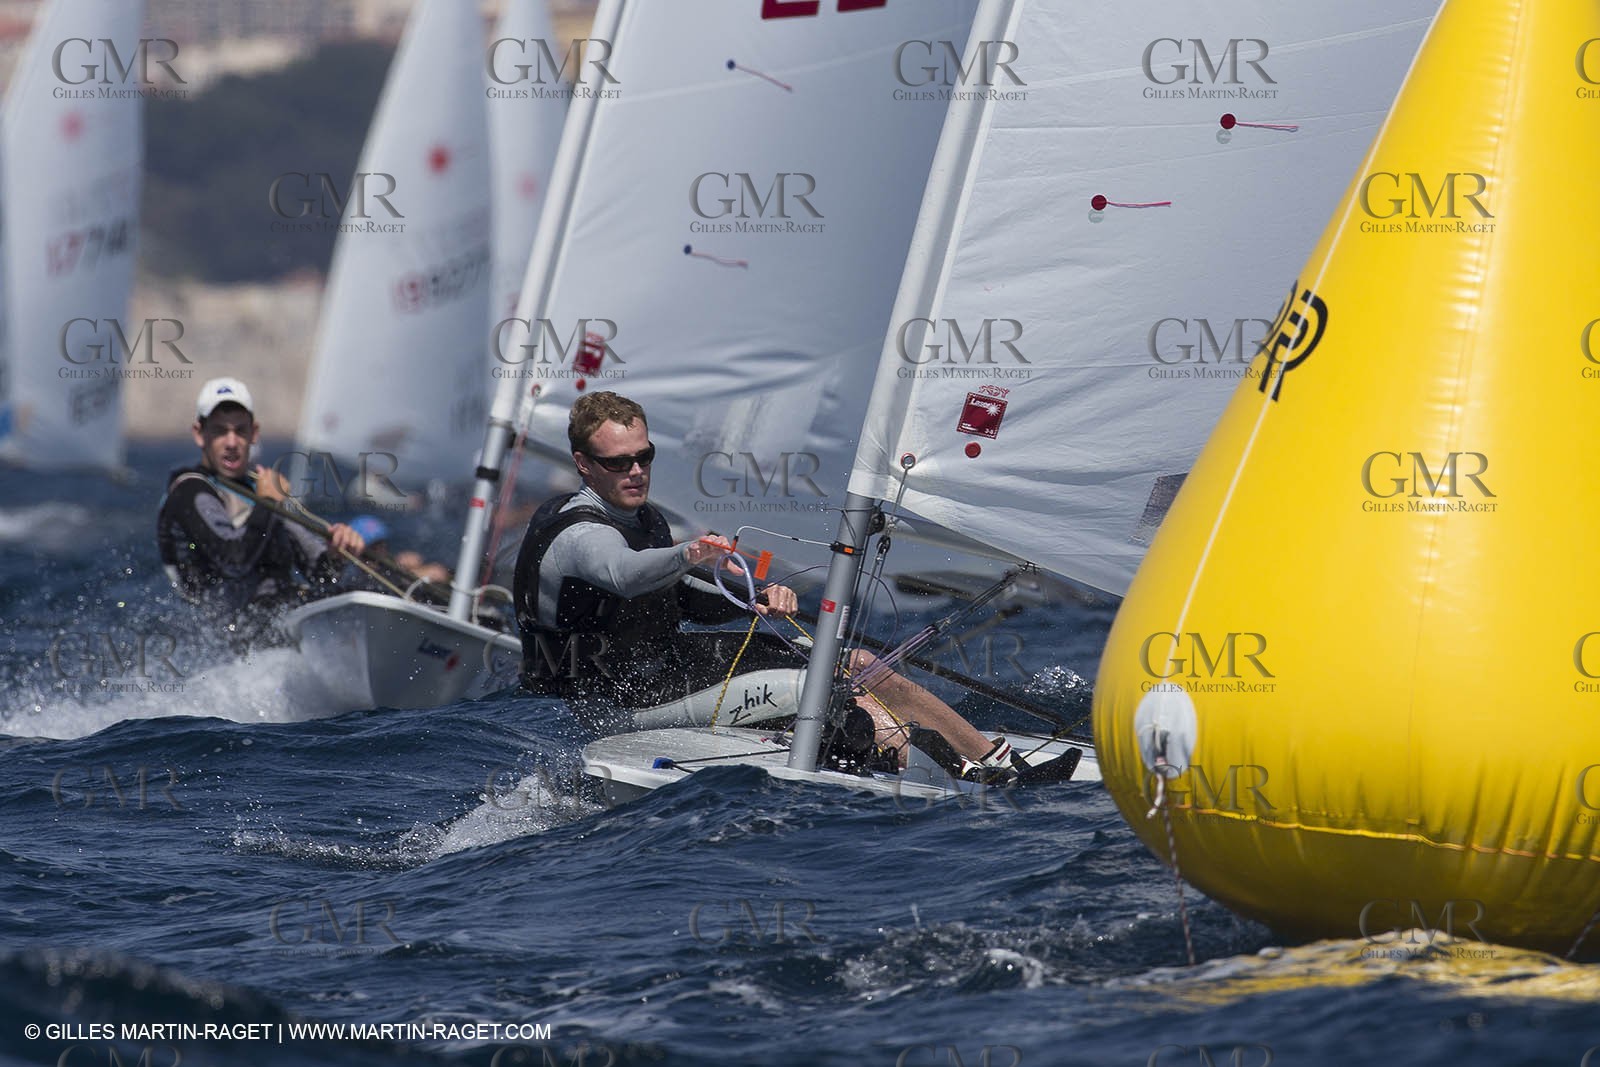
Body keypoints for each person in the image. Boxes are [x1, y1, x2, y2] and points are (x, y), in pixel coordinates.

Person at [512, 391, 1027, 780]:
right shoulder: (578, 534)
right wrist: (688, 553)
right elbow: (625, 576)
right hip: (616, 701)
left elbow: (684, 597)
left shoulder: (644, 518)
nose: (636, 471)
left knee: (856, 663)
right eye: (617, 463)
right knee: (825, 691)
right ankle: (953, 779)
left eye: (644, 457)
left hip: (668, 669)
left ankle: (995, 760)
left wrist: (754, 598)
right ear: (583, 464)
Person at [156, 377, 366, 649]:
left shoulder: (261, 488)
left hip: (280, 617)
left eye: (240, 430)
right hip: (228, 633)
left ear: (254, 433)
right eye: (219, 431)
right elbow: (234, 560)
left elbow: (321, 576)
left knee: (364, 590)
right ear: (199, 434)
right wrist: (267, 504)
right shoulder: (190, 492)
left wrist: (337, 554)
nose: (231, 442)